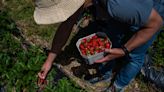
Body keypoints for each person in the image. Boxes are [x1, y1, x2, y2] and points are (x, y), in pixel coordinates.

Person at [34, 0, 164, 91]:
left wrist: (124, 50)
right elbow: (68, 23)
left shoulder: (118, 5)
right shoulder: (114, 7)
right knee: (113, 36)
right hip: (126, 7)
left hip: (152, 10)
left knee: (135, 54)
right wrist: (49, 61)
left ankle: (118, 86)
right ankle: (106, 73)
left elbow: (156, 23)